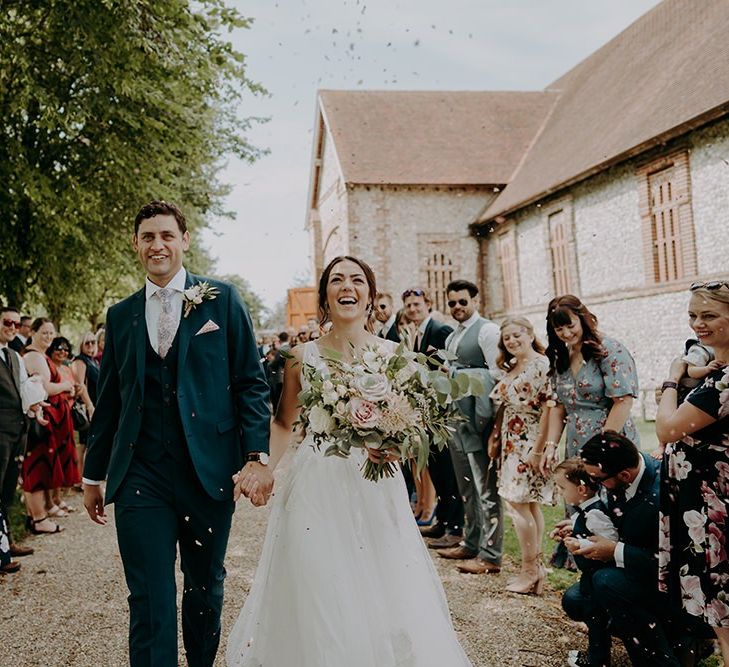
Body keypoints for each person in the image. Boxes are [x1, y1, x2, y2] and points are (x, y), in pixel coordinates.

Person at [226, 255, 473, 667]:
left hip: (375, 484)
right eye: (337, 280)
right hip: (316, 481)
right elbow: (284, 423)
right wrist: (264, 467)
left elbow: (412, 431)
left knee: (382, 584)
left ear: (371, 296)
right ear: (324, 295)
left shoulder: (397, 356)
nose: (347, 287)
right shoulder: (299, 357)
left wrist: (396, 447)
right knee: (319, 585)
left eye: (357, 280)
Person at [82, 200, 271, 667]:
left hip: (208, 471)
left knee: (205, 587)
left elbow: (251, 382)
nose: (158, 245)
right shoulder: (121, 315)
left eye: (167, 235)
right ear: (136, 245)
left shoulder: (222, 301)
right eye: (148, 237)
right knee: (148, 595)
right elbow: (110, 400)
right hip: (140, 474)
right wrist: (92, 475)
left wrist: (255, 456)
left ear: (185, 240)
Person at [656, 280, 729, 666]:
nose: (698, 324)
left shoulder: (725, 380)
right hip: (704, 506)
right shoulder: (717, 373)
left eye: (709, 315)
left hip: (716, 511)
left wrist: (671, 378)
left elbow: (667, 428)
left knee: (725, 616)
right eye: (692, 316)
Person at [562, 431, 680, 667]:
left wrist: (615, 551)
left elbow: (673, 562)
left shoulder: (661, 495)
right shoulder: (622, 473)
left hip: (674, 587)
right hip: (636, 572)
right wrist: (578, 526)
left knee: (607, 582)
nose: (591, 484)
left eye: (596, 480)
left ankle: (664, 654)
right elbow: (613, 519)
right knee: (576, 599)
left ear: (625, 475)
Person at [541, 295, 639, 569]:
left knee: (610, 502)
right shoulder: (561, 354)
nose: (565, 333)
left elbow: (623, 400)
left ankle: (614, 561)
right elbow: (559, 406)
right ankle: (582, 560)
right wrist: (551, 444)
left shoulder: (610, 350)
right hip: (575, 440)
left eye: (570, 325)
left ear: (582, 318)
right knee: (580, 496)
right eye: (559, 329)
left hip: (609, 439)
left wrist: (605, 447)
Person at [435, 280, 504, 575]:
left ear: (475, 300)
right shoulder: (453, 336)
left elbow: (497, 374)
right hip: (455, 420)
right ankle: (471, 540)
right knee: (466, 486)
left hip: (479, 420)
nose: (457, 308)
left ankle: (491, 553)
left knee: (485, 488)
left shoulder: (487, 331)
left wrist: (456, 373)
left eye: (463, 302)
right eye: (452, 303)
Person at [485, 316, 553, 587]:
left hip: (529, 440)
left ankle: (529, 571)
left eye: (517, 335)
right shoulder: (513, 366)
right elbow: (504, 406)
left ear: (529, 334)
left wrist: (537, 450)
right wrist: (496, 435)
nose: (512, 341)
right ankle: (535, 568)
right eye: (507, 338)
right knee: (528, 504)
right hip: (511, 441)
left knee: (518, 505)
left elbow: (550, 408)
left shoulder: (542, 365)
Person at [401, 287, 464, 544]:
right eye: (409, 306)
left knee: (448, 472)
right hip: (426, 412)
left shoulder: (440, 330)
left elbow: (450, 369)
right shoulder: (416, 333)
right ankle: (442, 521)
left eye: (417, 304)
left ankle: (455, 528)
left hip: (441, 412)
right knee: (436, 469)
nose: (413, 309)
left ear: (428, 304)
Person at [552, 458, 618, 666]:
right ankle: (596, 657)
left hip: (600, 578)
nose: (560, 492)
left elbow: (610, 542)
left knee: (595, 618)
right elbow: (586, 525)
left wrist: (578, 543)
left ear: (581, 489)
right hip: (591, 577)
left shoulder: (596, 514)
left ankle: (597, 661)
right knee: (593, 618)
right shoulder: (588, 512)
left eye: (562, 488)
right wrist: (572, 527)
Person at [0, 306, 41, 573]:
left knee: (6, 491)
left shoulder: (14, 355)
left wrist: (34, 405)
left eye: (16, 323)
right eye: (7, 322)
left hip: (17, 430)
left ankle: (7, 542)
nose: (13, 327)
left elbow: (23, 391)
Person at [22, 318, 71, 534]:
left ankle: (39, 514)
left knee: (45, 465)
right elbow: (45, 388)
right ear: (32, 332)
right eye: (44, 332)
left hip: (50, 416)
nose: (49, 337)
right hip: (40, 418)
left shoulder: (42, 355)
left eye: (51, 333)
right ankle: (37, 517)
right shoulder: (33, 356)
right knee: (37, 466)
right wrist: (66, 385)